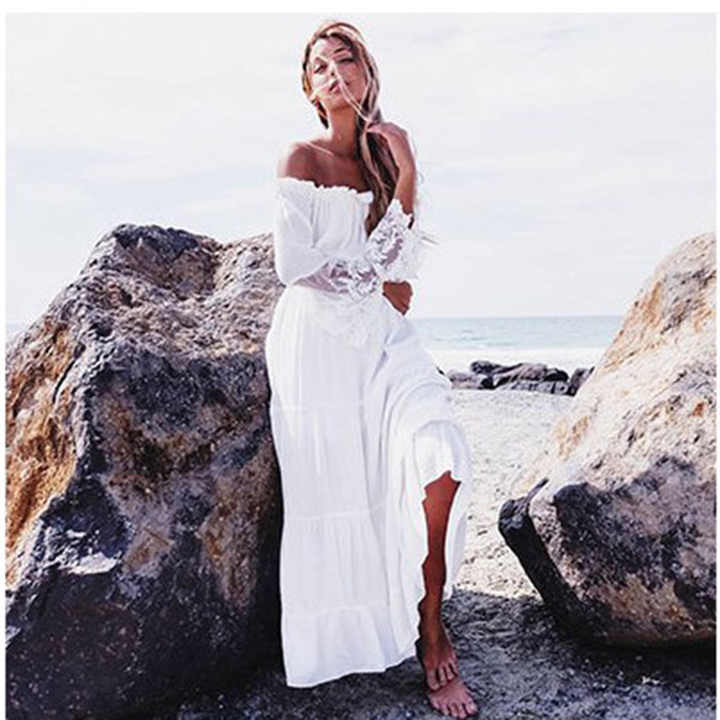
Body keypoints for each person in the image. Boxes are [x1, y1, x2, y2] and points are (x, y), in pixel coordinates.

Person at [264, 19, 479, 718]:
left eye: (345, 59)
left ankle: (432, 624)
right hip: (318, 349)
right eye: (319, 67)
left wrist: (407, 172)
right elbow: (295, 266)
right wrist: (374, 281)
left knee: (440, 458)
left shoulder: (386, 162)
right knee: (345, 493)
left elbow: (404, 268)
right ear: (309, 89)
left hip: (384, 342)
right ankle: (402, 632)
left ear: (367, 72)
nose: (334, 73)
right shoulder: (299, 157)